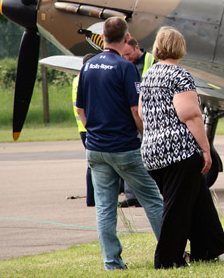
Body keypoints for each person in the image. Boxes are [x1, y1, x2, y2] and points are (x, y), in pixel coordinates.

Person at [139, 26, 224, 269]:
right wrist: (206, 149)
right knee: (177, 208)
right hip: (178, 151)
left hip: (152, 150)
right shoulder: (179, 75)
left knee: (199, 202)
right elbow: (191, 115)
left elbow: (142, 113)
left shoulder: (149, 75)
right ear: (180, 47)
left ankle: (213, 249)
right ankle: (168, 259)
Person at [75, 17, 164, 271]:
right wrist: (145, 138)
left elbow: (80, 108)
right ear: (127, 38)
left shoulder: (88, 66)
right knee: (152, 200)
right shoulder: (125, 67)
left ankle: (112, 262)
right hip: (124, 148)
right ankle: (170, 251)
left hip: (96, 149)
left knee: (105, 207)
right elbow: (136, 110)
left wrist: (93, 131)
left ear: (102, 37)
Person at [118, 36, 157, 208]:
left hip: (149, 116)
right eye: (123, 55)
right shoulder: (124, 64)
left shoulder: (152, 60)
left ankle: (149, 193)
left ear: (137, 48)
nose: (126, 58)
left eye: (128, 54)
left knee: (149, 157)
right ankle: (132, 195)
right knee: (131, 154)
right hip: (131, 117)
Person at [72, 53, 97, 207]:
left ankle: (91, 199)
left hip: (83, 127)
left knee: (92, 163)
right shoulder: (85, 79)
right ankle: (92, 199)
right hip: (88, 127)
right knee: (93, 165)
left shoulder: (77, 78)